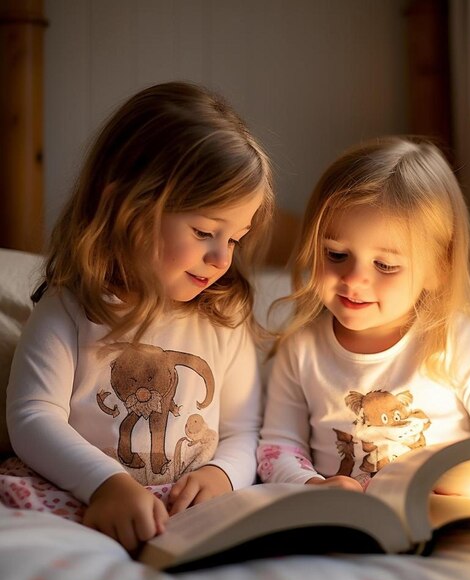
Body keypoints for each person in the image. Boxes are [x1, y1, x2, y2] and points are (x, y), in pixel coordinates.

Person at [2, 81, 274, 551]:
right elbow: (31, 416)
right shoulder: (72, 306)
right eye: (206, 231)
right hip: (81, 494)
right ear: (125, 207)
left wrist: (222, 473)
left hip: (185, 514)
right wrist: (105, 483)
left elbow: (242, 429)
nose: (221, 259)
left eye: (235, 239)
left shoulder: (224, 317)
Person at [257, 136, 470, 492]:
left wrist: (466, 478)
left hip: (437, 512)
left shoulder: (449, 340)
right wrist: (312, 484)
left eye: (385, 265)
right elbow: (277, 446)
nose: (354, 279)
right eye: (335, 255)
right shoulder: (301, 348)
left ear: (438, 268)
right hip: (346, 520)